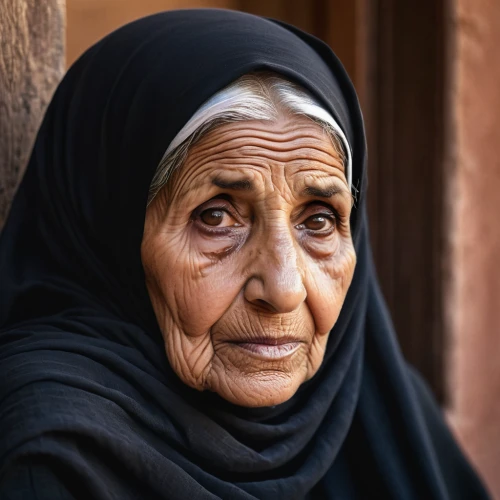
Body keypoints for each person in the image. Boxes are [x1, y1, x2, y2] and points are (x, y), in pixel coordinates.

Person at [0, 9, 490, 500]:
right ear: (110, 231)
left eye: (317, 220)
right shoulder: (51, 460)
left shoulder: (384, 414)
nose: (283, 289)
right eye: (215, 218)